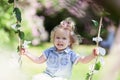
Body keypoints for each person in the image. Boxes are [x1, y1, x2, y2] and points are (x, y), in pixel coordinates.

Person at [20, 20, 98, 80]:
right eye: (57, 38)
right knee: (36, 78)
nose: (60, 40)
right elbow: (38, 60)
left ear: (69, 42)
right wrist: (27, 53)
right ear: (53, 39)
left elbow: (83, 60)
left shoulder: (71, 54)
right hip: (48, 76)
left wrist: (92, 55)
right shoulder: (49, 51)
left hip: (62, 78)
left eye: (64, 38)